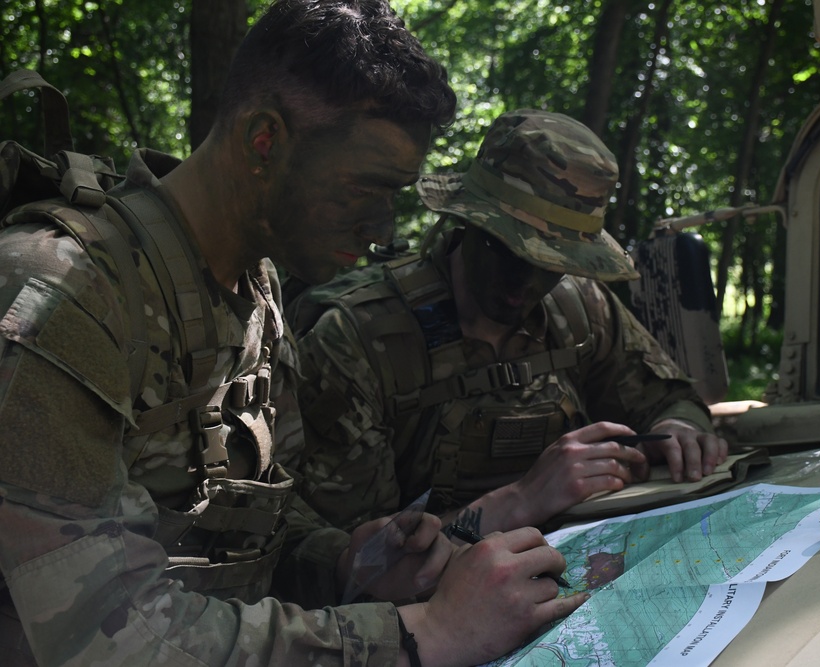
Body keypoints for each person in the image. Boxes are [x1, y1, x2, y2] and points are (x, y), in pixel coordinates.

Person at [0, 4, 585, 667]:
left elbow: (246, 536)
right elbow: (109, 636)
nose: (382, 229)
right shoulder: (61, 297)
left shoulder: (260, 289)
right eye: (364, 189)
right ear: (265, 141)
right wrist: (425, 632)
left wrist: (348, 558)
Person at [284, 109, 729, 537]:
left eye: (552, 264)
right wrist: (522, 500)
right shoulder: (359, 339)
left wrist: (679, 429)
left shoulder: (580, 309)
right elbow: (358, 564)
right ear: (466, 224)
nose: (524, 286)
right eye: (508, 254)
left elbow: (672, 400)